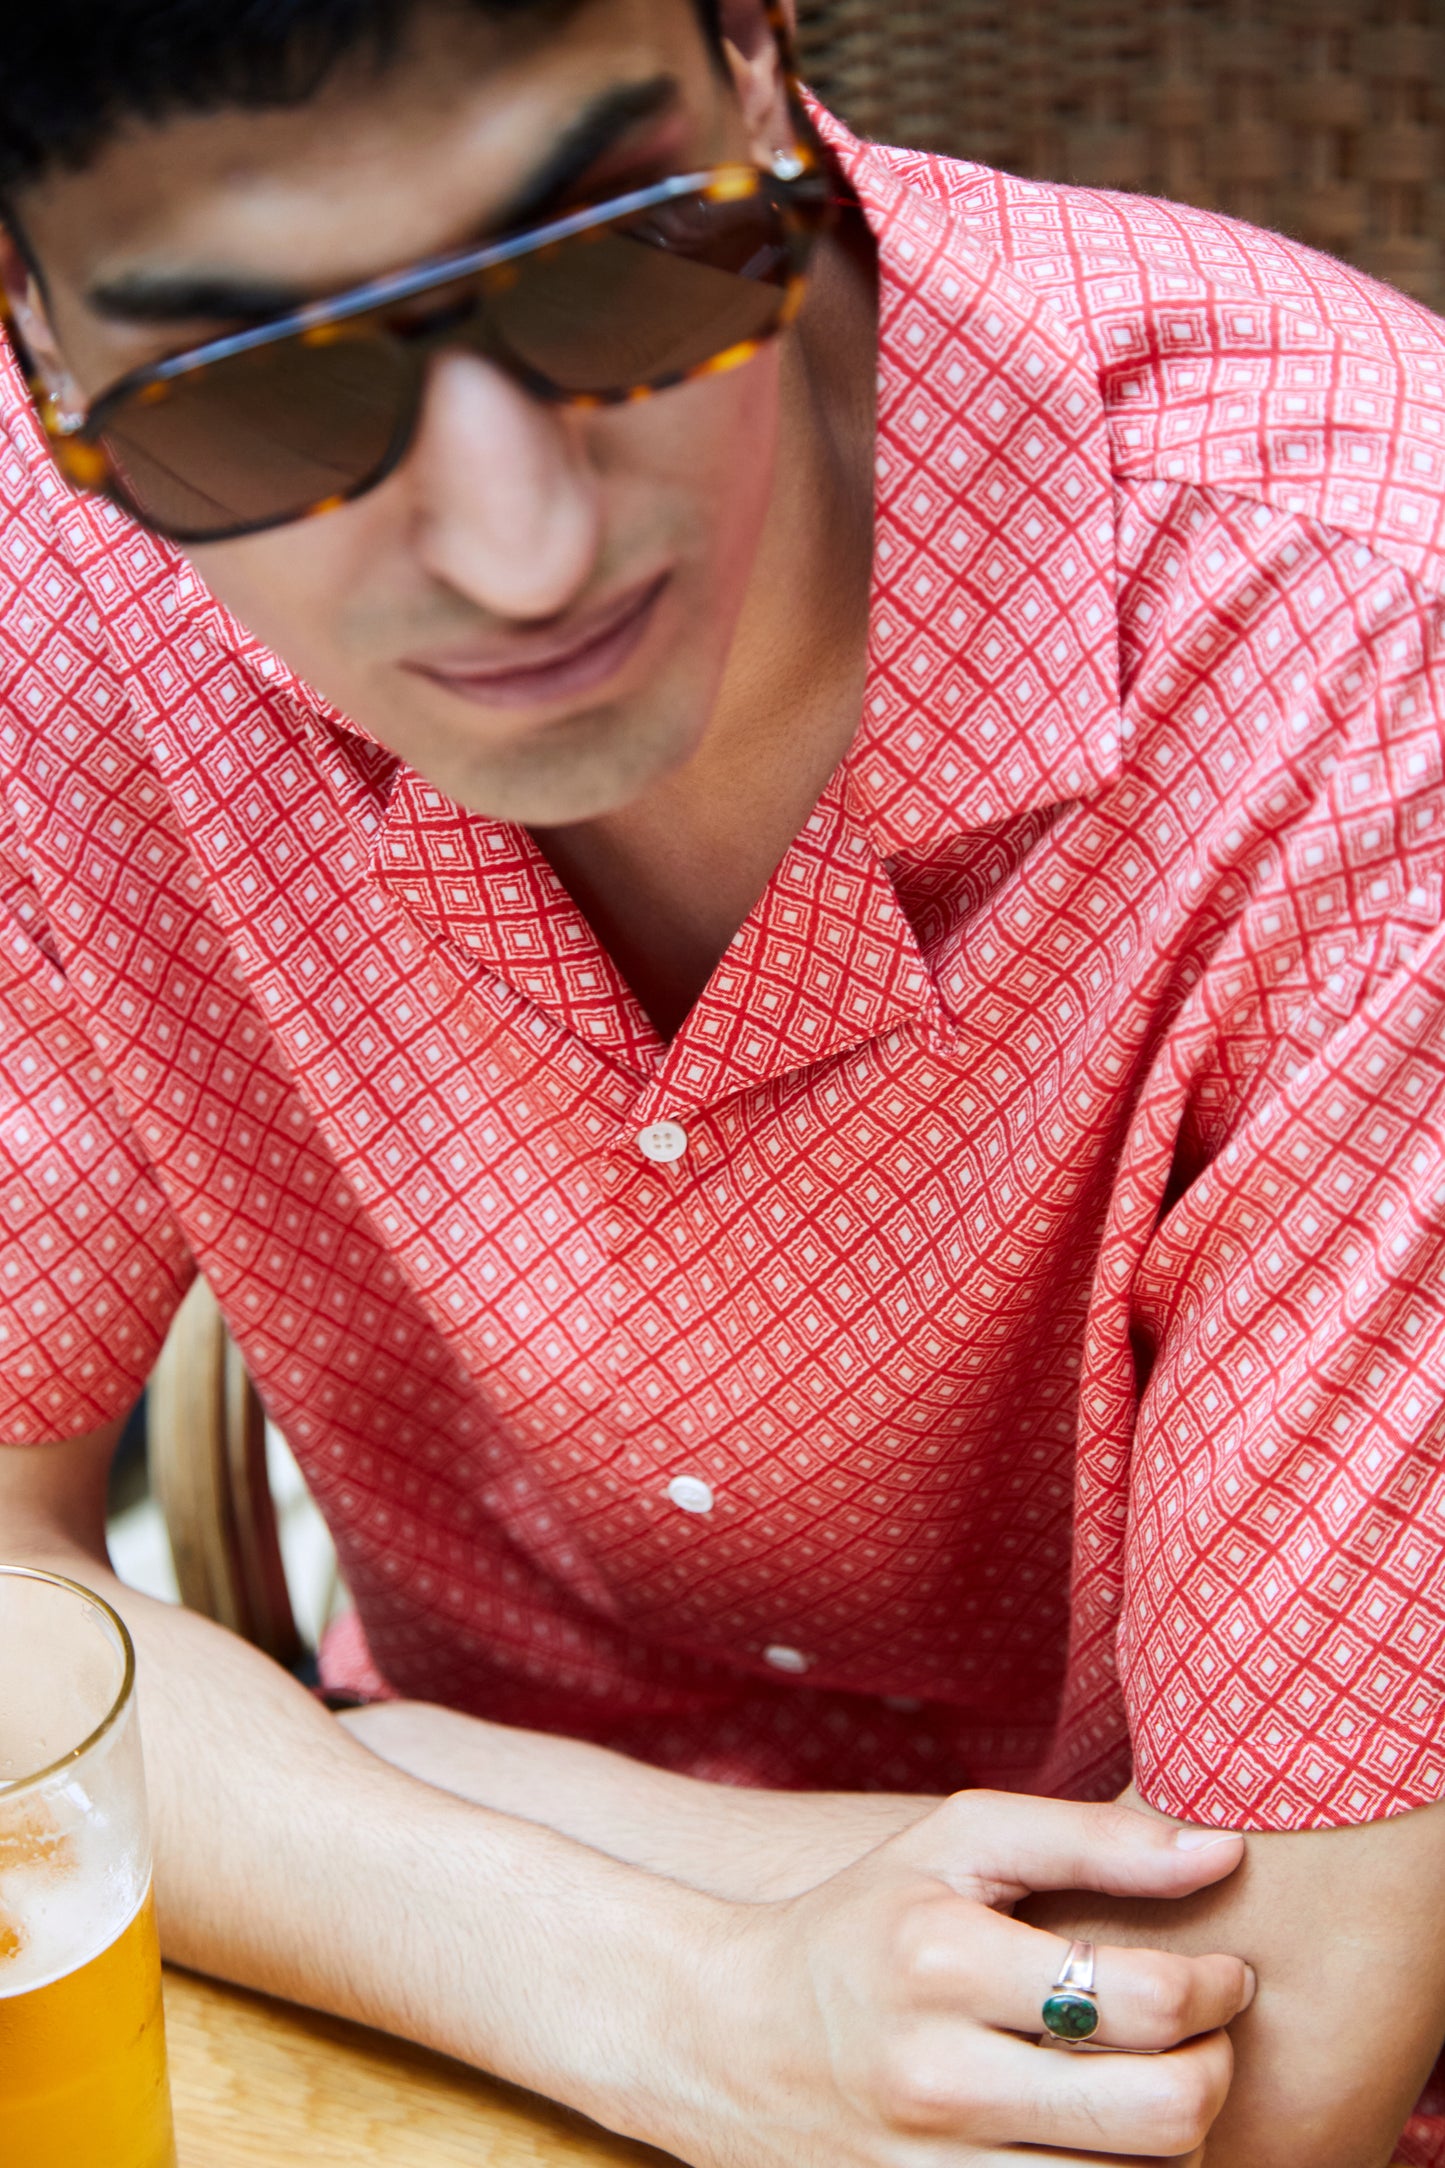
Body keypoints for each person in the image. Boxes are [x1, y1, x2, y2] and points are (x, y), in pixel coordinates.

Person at [0, 0, 1442, 2159]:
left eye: (609, 261)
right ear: (32, 346)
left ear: (766, 56)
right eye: (254, 399)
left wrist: (341, 1793)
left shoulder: (1364, 660)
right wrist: (670, 1992)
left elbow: (1279, 2056)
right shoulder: (52, 588)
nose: (516, 547)